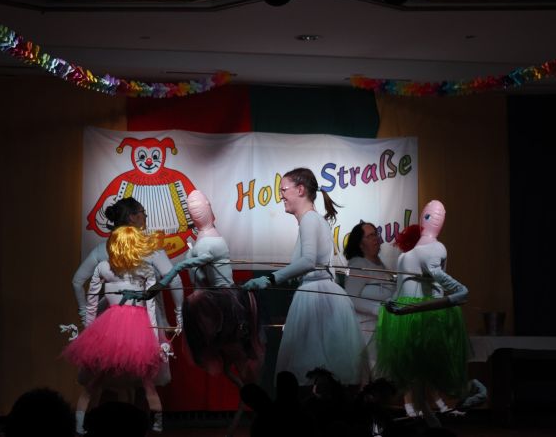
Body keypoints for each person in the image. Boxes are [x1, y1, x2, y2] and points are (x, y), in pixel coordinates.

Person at [147, 189, 265, 436]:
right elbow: (196, 270)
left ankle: (255, 408)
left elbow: (198, 265)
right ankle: (248, 402)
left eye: (197, 208)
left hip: (223, 303)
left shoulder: (212, 241)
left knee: (237, 356)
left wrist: (177, 268)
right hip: (209, 301)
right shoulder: (203, 240)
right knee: (227, 361)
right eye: (192, 209)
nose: (195, 212)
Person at [243, 167, 365, 386]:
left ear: (300, 190)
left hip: (316, 297)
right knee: (318, 369)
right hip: (319, 293)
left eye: (283, 190)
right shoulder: (312, 220)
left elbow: (308, 261)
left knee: (312, 369)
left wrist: (270, 279)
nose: (281, 195)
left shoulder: (309, 219)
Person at [63, 226, 167, 434]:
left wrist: (90, 331)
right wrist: (154, 338)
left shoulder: (105, 267)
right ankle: (157, 423)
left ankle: (80, 423)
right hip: (135, 328)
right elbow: (150, 306)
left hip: (113, 327)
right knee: (146, 381)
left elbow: (92, 303)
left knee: (96, 380)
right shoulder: (142, 269)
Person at [375, 200, 470, 427]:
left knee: (421, 373)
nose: (434, 218)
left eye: (436, 216)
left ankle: (429, 418)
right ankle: (425, 418)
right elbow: (401, 287)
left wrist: (423, 306)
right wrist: (391, 302)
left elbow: (458, 291)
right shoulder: (414, 253)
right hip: (407, 316)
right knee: (414, 374)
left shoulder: (434, 250)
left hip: (424, 317)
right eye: (431, 215)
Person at [71, 197, 183, 386]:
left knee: (102, 376)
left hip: (108, 319)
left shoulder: (102, 249)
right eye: (143, 213)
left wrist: (85, 315)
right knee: (146, 379)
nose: (145, 216)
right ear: (132, 217)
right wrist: (179, 312)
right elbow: (175, 279)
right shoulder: (149, 248)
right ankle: (144, 405)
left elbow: (77, 282)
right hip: (144, 315)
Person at [343, 221, 395, 369]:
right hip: (366, 331)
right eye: (370, 236)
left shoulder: (381, 264)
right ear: (360, 244)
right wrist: (378, 309)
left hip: (382, 327)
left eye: (375, 234)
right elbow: (351, 298)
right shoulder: (358, 264)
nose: (375, 238)